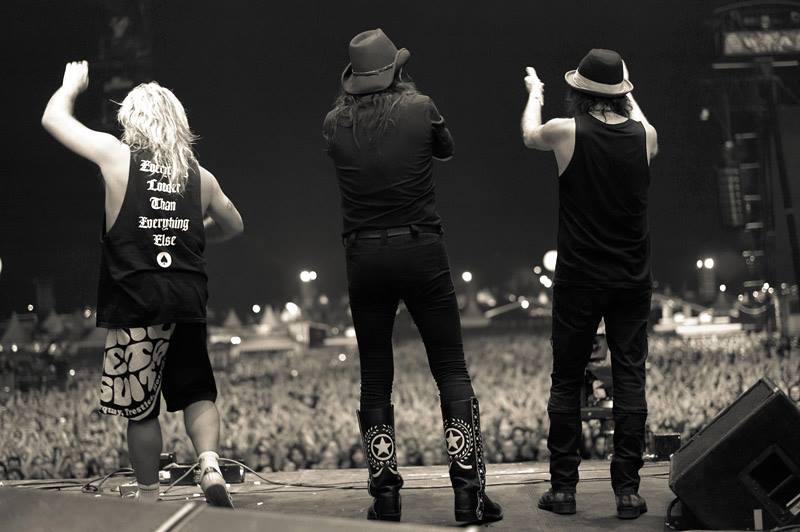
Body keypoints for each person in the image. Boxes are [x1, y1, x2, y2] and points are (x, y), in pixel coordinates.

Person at [41, 61, 243, 506]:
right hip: (187, 298)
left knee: (141, 409)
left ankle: (149, 495)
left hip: (136, 303)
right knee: (198, 392)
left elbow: (53, 118)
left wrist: (70, 86)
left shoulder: (117, 156)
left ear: (132, 120)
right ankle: (209, 464)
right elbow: (235, 224)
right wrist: (188, 231)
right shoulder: (200, 176)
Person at [323, 29, 502, 524]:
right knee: (451, 369)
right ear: (397, 71)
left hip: (364, 256)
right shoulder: (421, 108)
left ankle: (385, 498)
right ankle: (469, 495)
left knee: (375, 377)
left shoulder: (334, 123)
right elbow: (446, 149)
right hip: (420, 248)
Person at [521, 49, 658, 519]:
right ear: (622, 92)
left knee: (566, 380)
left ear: (577, 91)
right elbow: (641, 123)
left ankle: (563, 490)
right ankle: (628, 493)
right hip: (631, 279)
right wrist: (626, 89)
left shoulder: (567, 130)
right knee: (630, 378)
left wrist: (535, 94)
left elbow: (528, 135)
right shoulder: (645, 136)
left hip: (579, 278)